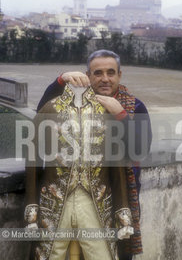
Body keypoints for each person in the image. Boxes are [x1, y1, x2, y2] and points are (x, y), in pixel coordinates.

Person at [24, 50, 152, 260]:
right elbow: (42, 114)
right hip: (63, 198)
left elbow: (141, 148)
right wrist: (60, 80)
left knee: (114, 253)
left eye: (111, 72)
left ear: (120, 75)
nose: (105, 78)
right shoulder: (69, 104)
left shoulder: (135, 106)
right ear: (87, 76)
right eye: (98, 73)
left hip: (118, 195)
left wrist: (120, 114)